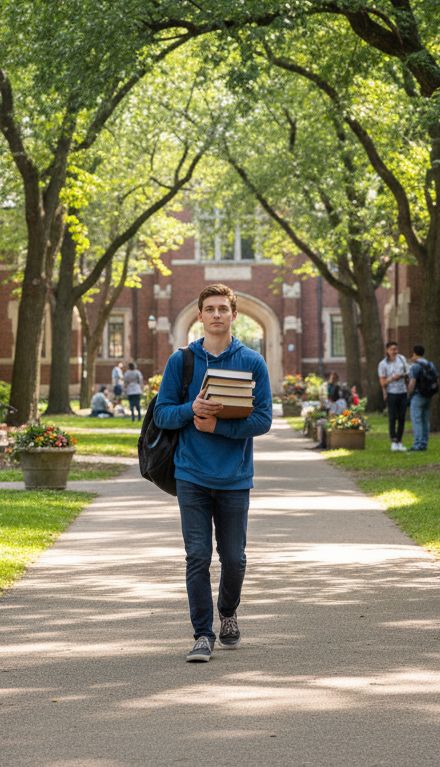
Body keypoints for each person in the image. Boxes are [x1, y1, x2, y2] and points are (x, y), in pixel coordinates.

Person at [152, 284, 272, 663]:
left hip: (235, 476)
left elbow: (263, 418)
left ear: (233, 315)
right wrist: (193, 409)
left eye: (223, 308)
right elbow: (162, 414)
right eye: (210, 309)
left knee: (234, 558)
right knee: (198, 556)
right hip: (191, 474)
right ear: (200, 315)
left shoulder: (252, 361)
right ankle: (202, 634)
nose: (217, 314)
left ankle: (229, 612)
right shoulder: (181, 362)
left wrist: (217, 428)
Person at [379, 340, 411, 452]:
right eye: (392, 349)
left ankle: (399, 441)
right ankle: (393, 440)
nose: (394, 352)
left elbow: (408, 373)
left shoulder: (402, 359)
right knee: (392, 417)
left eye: (396, 349)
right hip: (391, 393)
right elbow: (382, 382)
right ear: (387, 350)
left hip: (402, 392)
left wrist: (402, 375)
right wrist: (392, 378)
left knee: (402, 417)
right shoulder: (383, 364)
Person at [407, 344, 438, 452]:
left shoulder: (415, 366)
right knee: (425, 420)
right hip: (428, 395)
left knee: (416, 420)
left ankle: (417, 444)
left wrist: (408, 394)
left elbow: (412, 381)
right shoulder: (430, 364)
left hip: (418, 395)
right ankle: (424, 443)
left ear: (414, 353)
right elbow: (437, 379)